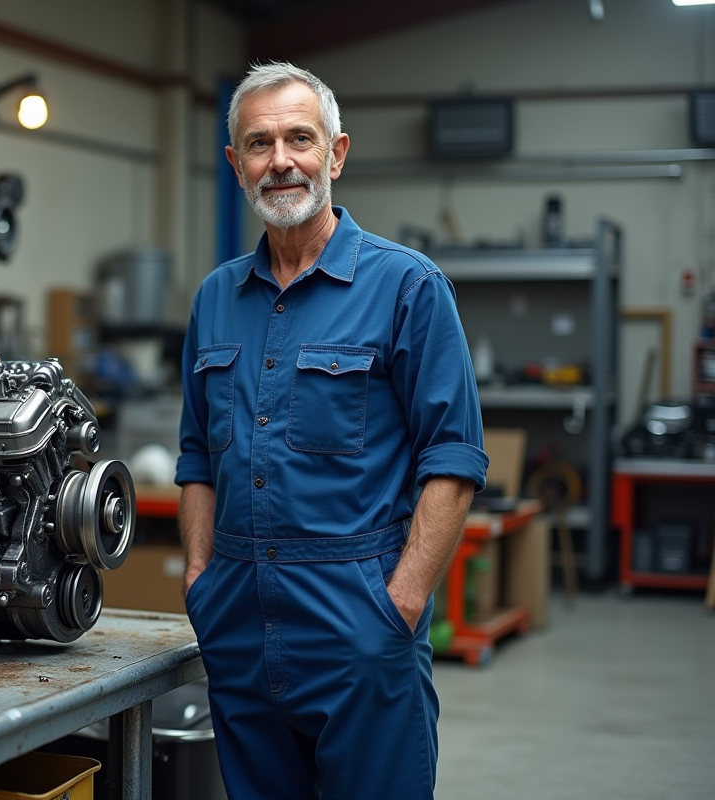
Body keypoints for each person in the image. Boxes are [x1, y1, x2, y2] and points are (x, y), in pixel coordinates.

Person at [176, 62, 489, 799]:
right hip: (238, 623)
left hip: (360, 621)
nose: (280, 160)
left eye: (299, 138)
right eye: (259, 143)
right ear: (235, 165)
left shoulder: (408, 286)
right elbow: (196, 454)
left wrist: (399, 605)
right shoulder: (216, 298)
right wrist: (199, 580)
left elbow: (453, 457)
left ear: (337, 154)